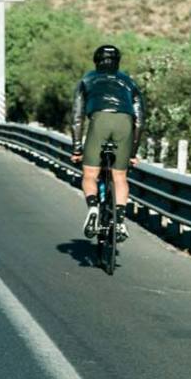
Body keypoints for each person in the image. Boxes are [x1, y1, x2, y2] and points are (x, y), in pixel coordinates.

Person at [71, 45, 144, 242]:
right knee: (120, 177)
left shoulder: (87, 79)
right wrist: (132, 154)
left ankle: (93, 207)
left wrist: (77, 149)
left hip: (100, 121)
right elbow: (140, 121)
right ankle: (120, 220)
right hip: (125, 123)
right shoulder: (129, 82)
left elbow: (77, 118)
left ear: (96, 61)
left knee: (90, 175)